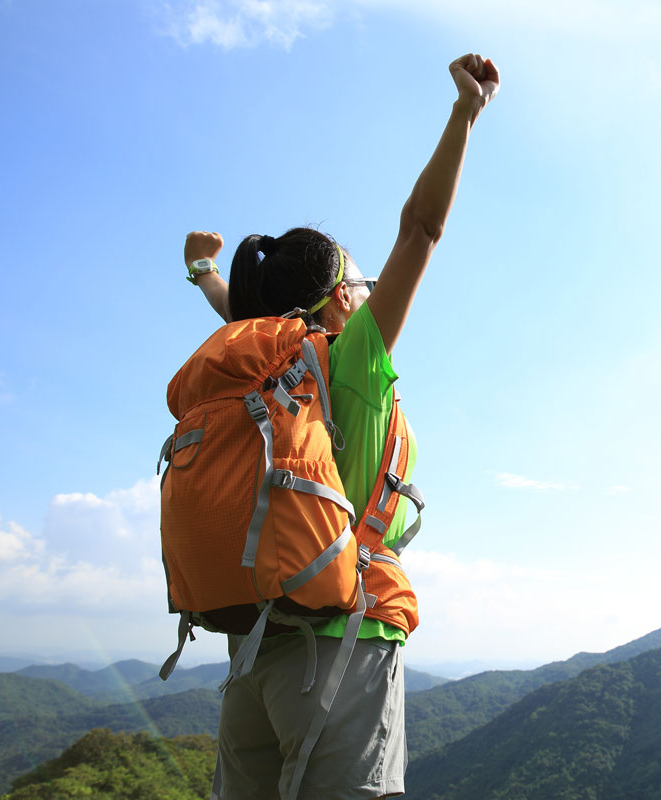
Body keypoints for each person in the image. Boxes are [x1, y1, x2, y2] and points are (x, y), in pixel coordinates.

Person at [180, 53, 500, 800]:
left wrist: (202, 273)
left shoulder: (259, 370)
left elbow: (239, 313)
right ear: (337, 300)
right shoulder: (349, 359)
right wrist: (465, 114)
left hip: (249, 656)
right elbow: (421, 229)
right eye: (360, 282)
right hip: (345, 647)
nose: (369, 292)